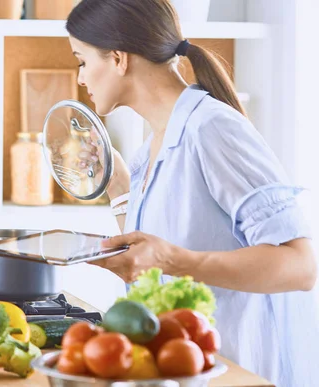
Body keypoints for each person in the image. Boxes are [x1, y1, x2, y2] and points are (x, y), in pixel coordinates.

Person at [66, 0, 318, 386]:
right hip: (187, 370)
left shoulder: (211, 128)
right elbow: (155, 256)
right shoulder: (151, 145)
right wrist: (117, 185)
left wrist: (175, 260)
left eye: (81, 60)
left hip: (238, 372)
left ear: (118, 59)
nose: (81, 77)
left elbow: (301, 267)